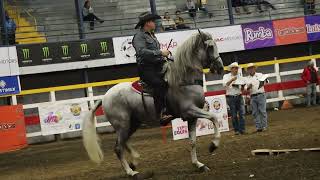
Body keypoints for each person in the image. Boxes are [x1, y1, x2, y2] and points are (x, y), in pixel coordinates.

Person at [132, 12, 173, 122]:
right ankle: (161, 114)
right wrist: (160, 53)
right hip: (146, 69)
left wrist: (164, 56)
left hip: (157, 65)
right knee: (160, 84)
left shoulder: (152, 35)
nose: (155, 23)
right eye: (152, 21)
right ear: (147, 23)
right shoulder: (139, 37)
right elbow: (141, 52)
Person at [223, 62, 246, 135]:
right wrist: (232, 80)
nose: (236, 70)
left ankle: (242, 130)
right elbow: (224, 85)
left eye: (237, 68)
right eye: (234, 68)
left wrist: (242, 87)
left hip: (239, 96)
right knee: (234, 114)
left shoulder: (240, 77)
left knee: (242, 113)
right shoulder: (226, 76)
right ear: (231, 69)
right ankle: (236, 130)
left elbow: (244, 89)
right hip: (230, 97)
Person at [245, 63, 268, 132]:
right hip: (252, 96)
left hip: (261, 94)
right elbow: (245, 88)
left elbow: (267, 82)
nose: (251, 69)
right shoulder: (246, 78)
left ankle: (264, 126)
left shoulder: (260, 75)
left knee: (262, 111)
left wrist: (265, 81)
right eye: (249, 68)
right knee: (255, 112)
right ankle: (258, 127)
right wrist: (248, 87)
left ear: (254, 68)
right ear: (248, 70)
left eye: (252, 68)